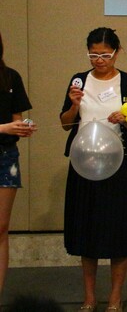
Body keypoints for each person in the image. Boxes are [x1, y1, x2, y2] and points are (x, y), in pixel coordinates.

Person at [59, 27, 127, 312]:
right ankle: (89, 298)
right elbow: (65, 123)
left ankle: (114, 298)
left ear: (117, 52)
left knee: (118, 230)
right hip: (84, 163)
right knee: (87, 229)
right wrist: (73, 105)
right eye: (93, 54)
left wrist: (125, 118)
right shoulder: (78, 81)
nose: (99, 60)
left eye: (105, 54)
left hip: (119, 164)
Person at [0, 32, 35, 300]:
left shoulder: (10, 77)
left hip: (5, 156)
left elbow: (17, 119)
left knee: (1, 228)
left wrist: (21, 129)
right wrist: (4, 128)